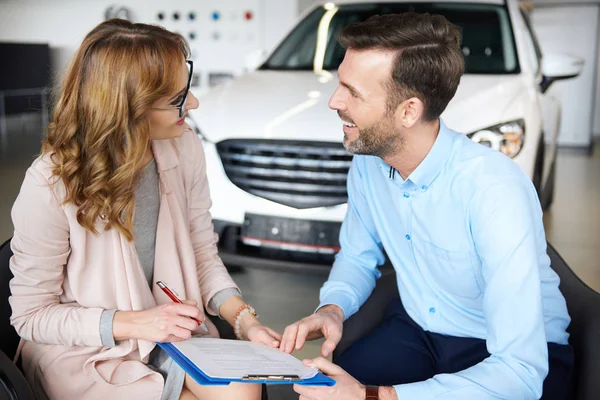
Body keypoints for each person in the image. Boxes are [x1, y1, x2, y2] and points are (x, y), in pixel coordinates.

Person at [280, 12, 573, 400]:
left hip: (505, 353)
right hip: (419, 328)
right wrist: (332, 308)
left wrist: (373, 396)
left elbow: (519, 372)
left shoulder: (493, 190)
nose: (335, 101)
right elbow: (357, 256)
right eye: (339, 84)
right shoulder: (368, 165)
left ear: (408, 111)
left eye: (353, 92)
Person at [9, 19, 281, 400]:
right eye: (177, 100)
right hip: (86, 352)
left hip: (169, 336)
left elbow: (201, 252)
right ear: (129, 108)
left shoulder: (184, 147)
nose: (194, 104)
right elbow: (31, 317)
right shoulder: (49, 183)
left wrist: (244, 320)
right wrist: (136, 323)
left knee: (245, 391)